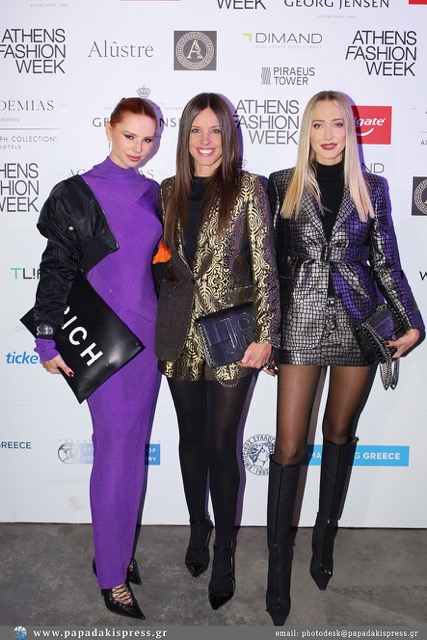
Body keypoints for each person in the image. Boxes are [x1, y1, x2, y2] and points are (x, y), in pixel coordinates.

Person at [266, 90, 423, 626]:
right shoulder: (281, 184)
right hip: (300, 321)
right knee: (289, 446)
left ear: (350, 130)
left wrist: (411, 321)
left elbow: (387, 263)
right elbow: (269, 267)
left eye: (338, 124)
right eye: (318, 125)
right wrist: (268, 332)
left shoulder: (372, 188)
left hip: (359, 322)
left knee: (338, 432)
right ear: (306, 131)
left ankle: (324, 541)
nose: (329, 135)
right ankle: (278, 571)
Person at [32, 97, 162, 620]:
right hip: (104, 338)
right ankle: (111, 574)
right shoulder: (76, 193)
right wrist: (47, 337)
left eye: (148, 139)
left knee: (132, 451)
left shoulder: (155, 192)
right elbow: (56, 267)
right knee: (113, 451)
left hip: (148, 341)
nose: (139, 148)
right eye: (130, 136)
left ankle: (116, 549)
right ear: (109, 129)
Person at [155, 92, 280, 610]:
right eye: (196, 130)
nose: (206, 141)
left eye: (215, 131)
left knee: (222, 443)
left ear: (229, 136)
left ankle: (224, 550)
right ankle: (197, 527)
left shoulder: (250, 188)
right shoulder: (167, 192)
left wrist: (267, 335)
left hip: (233, 336)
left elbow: (266, 265)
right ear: (185, 136)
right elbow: (160, 263)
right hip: (178, 334)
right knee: (190, 440)